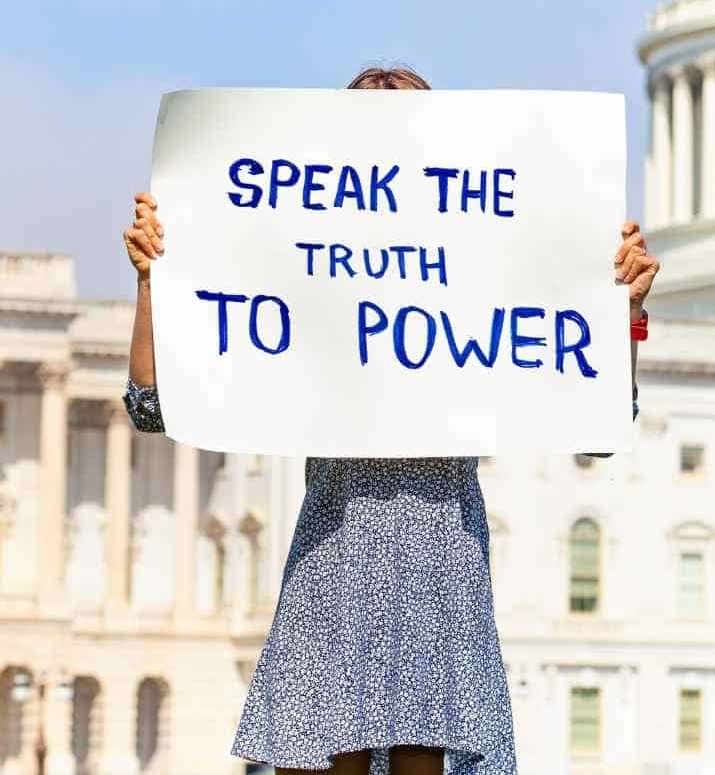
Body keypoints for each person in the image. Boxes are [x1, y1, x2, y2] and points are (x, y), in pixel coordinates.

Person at [119, 65, 660, 775]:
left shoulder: (485, 261)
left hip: (437, 565)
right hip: (335, 554)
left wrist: (619, 309)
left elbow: (599, 422)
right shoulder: (299, 262)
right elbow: (152, 406)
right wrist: (156, 281)